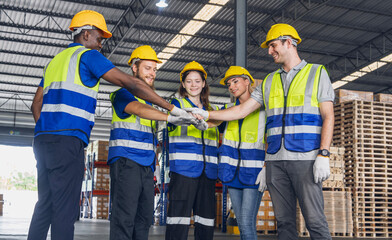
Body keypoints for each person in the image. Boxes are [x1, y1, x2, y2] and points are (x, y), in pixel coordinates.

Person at [28, 10, 194, 240]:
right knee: (65, 210)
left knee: (44, 204)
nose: (101, 44)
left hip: (43, 141)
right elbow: (130, 83)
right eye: (99, 37)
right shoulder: (87, 55)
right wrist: (172, 109)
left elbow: (36, 104)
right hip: (68, 140)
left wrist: (46, 130)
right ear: (85, 34)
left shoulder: (54, 62)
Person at [186, 23, 334, 240]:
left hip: (305, 158)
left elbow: (328, 115)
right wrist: (206, 115)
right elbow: (240, 110)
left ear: (289, 43)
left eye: (273, 45)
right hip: (275, 162)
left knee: (314, 220)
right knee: (284, 222)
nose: (269, 51)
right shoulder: (269, 81)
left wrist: (324, 153)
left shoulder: (317, 73)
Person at [107, 45, 193, 240]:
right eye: (147, 68)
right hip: (126, 162)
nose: (152, 73)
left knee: (144, 219)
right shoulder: (122, 94)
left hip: (145, 165)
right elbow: (137, 109)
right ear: (134, 68)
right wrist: (169, 116)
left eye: (154, 69)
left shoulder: (150, 102)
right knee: (124, 219)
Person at [165, 61, 219, 240]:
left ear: (204, 83)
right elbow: (172, 119)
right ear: (183, 84)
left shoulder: (213, 111)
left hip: (208, 173)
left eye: (197, 81)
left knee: (206, 222)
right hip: (183, 171)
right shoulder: (176, 104)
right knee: (178, 221)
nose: (193, 85)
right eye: (189, 81)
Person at [217, 66, 266, 240]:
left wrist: (267, 167)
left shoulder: (263, 109)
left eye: (235, 81)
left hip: (254, 173)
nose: (231, 86)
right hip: (233, 174)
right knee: (244, 223)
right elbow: (212, 123)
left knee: (245, 222)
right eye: (229, 84)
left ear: (247, 81)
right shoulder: (227, 109)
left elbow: (272, 139)